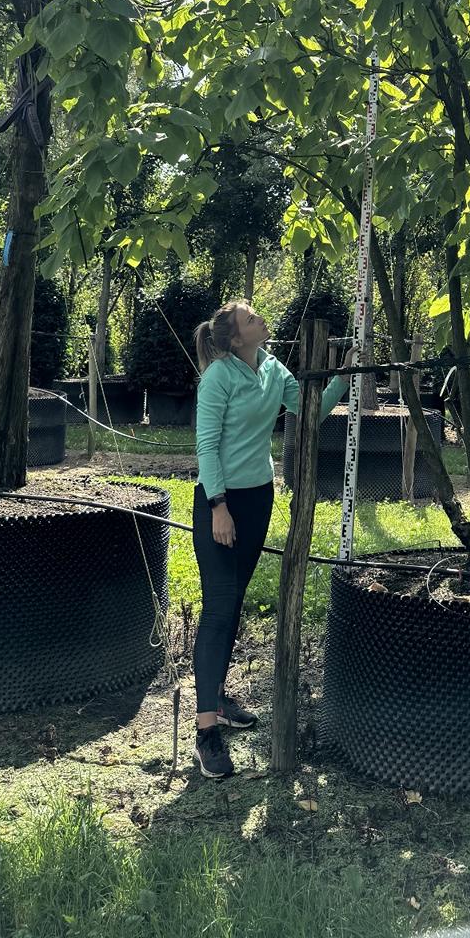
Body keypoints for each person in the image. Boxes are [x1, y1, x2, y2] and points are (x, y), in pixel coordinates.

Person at [189, 299, 353, 779]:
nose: (261, 319)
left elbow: (307, 410)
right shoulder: (218, 378)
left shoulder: (271, 368)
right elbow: (206, 445)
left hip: (258, 499)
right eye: (251, 318)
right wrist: (218, 505)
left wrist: (343, 377)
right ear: (236, 337)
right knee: (219, 607)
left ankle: (217, 696)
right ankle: (205, 734)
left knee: (235, 601)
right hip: (219, 504)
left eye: (258, 314)